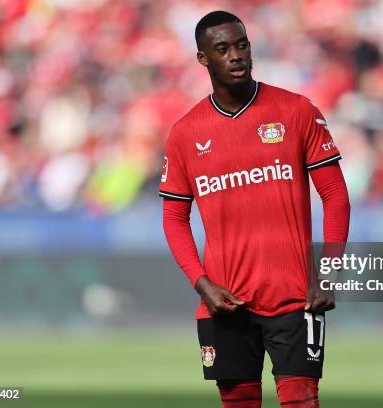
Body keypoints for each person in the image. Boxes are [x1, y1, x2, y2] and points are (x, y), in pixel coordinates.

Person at [160, 10, 350, 408]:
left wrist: (330, 272)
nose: (235, 56)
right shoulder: (185, 133)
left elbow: (334, 194)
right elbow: (175, 217)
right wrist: (201, 282)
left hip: (297, 297)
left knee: (302, 400)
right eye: (223, 49)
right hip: (225, 301)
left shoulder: (297, 110)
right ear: (203, 58)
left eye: (242, 45)